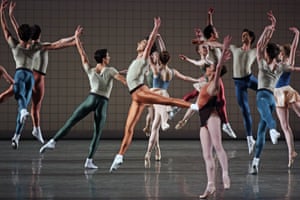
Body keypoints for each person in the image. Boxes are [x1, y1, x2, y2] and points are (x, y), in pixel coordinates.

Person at [109, 17, 198, 172]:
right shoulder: (136, 59)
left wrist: (156, 29)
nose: (140, 43)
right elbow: (130, 74)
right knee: (128, 128)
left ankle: (194, 106)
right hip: (135, 97)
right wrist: (119, 74)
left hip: (142, 91)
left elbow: (151, 43)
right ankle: (119, 156)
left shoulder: (145, 58)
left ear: (146, 50)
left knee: (167, 100)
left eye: (142, 44)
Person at [40, 26, 127, 169]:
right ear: (104, 59)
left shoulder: (90, 70)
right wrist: (134, 87)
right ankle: (89, 160)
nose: (110, 57)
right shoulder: (111, 70)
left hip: (90, 99)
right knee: (97, 133)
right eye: (108, 56)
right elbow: (122, 80)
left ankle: (53, 141)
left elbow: (82, 54)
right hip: (102, 102)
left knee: (71, 121)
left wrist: (76, 38)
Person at [2, 1, 77, 145]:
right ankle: (31, 128)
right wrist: (73, 41)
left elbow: (12, 30)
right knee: (26, 102)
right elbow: (57, 44)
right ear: (37, 34)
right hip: (33, 76)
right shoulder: (36, 46)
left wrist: (8, 14)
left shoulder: (26, 45)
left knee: (24, 100)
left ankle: (29, 132)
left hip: (28, 75)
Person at [144, 50, 200, 168]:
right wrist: (197, 80)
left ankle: (150, 152)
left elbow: (148, 54)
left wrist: (152, 42)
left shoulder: (155, 69)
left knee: (155, 127)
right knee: (164, 97)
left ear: (159, 59)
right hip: (159, 96)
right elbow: (185, 78)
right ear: (169, 60)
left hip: (154, 96)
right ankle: (166, 119)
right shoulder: (172, 72)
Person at [206, 28, 258, 154]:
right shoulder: (235, 48)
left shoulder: (254, 51)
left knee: (267, 90)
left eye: (245, 35)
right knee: (245, 110)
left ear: (251, 38)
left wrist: (270, 28)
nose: (243, 37)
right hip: (239, 83)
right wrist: (207, 42)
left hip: (250, 79)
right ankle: (250, 139)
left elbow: (268, 44)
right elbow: (216, 44)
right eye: (242, 35)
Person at [249, 11, 286, 175]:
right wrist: (273, 28)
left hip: (263, 97)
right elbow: (267, 49)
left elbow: (258, 46)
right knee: (260, 132)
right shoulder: (280, 67)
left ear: (267, 54)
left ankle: (273, 128)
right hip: (272, 99)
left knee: (267, 126)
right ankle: (256, 162)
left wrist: (268, 30)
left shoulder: (263, 65)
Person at [0, 0, 40, 149]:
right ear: (30, 36)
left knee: (20, 98)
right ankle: (16, 136)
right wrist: (11, 15)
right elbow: (22, 33)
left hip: (20, 74)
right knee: (21, 104)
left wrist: (2, 13)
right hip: (30, 77)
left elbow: (5, 29)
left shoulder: (15, 46)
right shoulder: (34, 47)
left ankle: (22, 112)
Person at [197, 35, 232, 199]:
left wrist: (223, 51)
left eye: (210, 66)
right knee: (206, 155)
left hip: (212, 117)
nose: (208, 66)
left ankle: (225, 173)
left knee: (218, 146)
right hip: (203, 120)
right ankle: (210, 185)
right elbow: (204, 58)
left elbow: (218, 69)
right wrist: (201, 40)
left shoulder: (215, 84)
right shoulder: (204, 82)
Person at [274, 27, 300, 168]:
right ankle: (291, 152)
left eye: (281, 52)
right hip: (278, 94)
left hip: (287, 92)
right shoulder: (276, 63)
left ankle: (291, 152)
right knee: (284, 125)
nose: (279, 54)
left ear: (284, 53)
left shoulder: (289, 62)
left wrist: (297, 35)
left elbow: (294, 47)